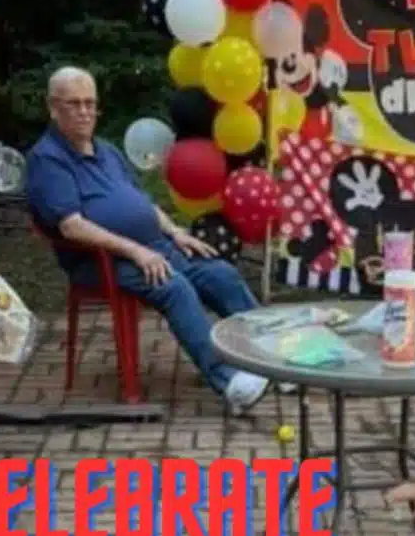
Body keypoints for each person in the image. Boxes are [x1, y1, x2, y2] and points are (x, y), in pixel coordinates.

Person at [25, 66, 270, 412]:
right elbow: (72, 226)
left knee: (221, 274)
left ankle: (269, 358)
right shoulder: (47, 159)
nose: (84, 112)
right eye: (73, 104)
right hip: (101, 261)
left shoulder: (107, 151)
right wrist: (136, 251)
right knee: (175, 288)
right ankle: (230, 382)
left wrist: (175, 233)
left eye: (90, 103)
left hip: (156, 247)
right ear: (53, 108)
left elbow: (144, 203)